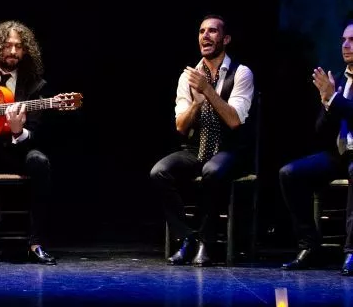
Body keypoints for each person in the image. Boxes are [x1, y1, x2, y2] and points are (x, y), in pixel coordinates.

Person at [150, 14, 255, 266]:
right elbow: (180, 128)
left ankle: (207, 242)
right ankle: (188, 238)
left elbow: (234, 121)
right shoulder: (188, 76)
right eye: (201, 31)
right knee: (159, 172)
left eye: (212, 31)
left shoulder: (241, 73)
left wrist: (208, 90)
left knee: (212, 170)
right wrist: (196, 104)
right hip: (196, 148)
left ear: (226, 39)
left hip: (229, 149)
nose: (205, 36)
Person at [0, 20, 57, 265]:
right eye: (7, 45)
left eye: (18, 47)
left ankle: (35, 243)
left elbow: (36, 132)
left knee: (39, 161)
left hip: (12, 151)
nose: (12, 51)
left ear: (25, 50)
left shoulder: (34, 83)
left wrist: (19, 131)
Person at [279, 18, 353, 275]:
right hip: (340, 153)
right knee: (290, 173)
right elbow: (320, 130)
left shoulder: (337, 88)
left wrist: (333, 98)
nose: (346, 45)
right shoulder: (339, 78)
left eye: (352, 40)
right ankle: (310, 246)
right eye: (344, 40)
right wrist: (326, 103)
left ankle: (351, 251)